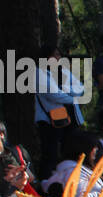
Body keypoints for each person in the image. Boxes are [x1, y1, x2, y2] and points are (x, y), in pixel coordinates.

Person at [34, 42, 85, 171]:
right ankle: (48, 181)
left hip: (71, 118)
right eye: (54, 55)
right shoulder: (38, 73)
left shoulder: (64, 71)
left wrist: (65, 89)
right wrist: (73, 97)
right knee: (51, 153)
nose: (57, 58)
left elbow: (81, 88)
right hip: (50, 120)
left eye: (58, 54)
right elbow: (54, 94)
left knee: (72, 149)